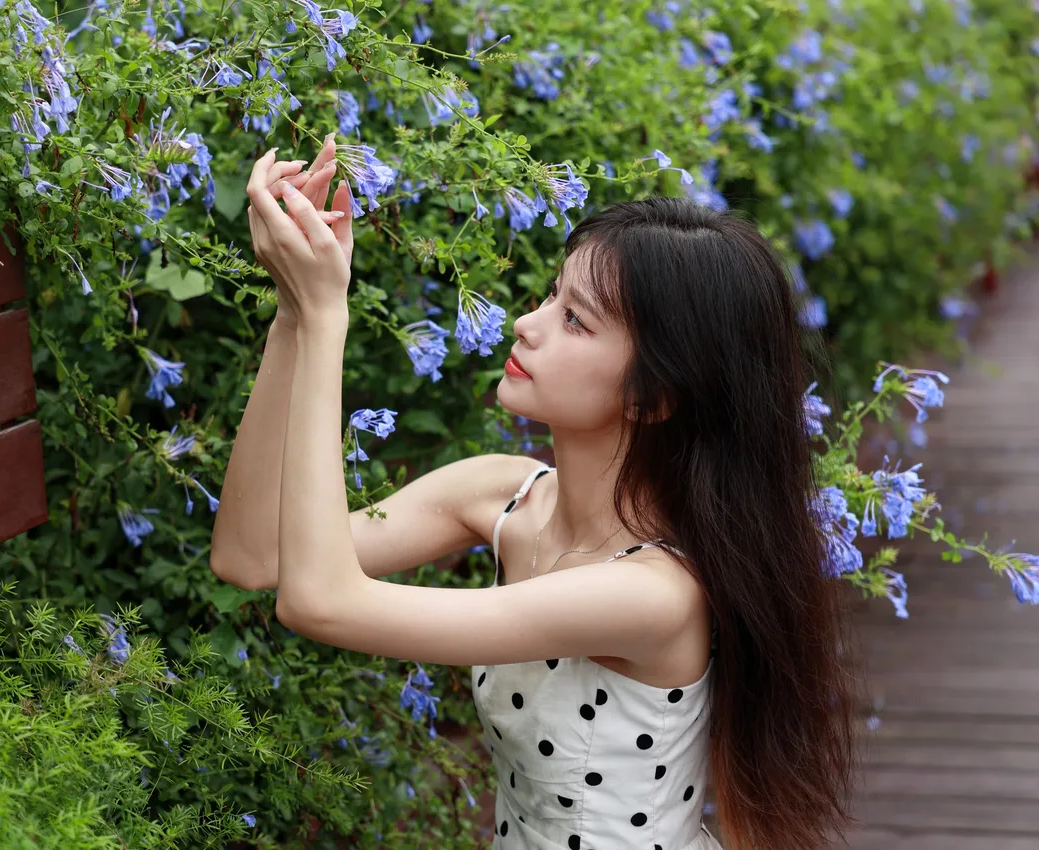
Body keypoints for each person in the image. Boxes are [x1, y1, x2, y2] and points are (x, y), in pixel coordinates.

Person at [210, 136, 858, 850]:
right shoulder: (504, 493)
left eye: (575, 319)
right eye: (552, 295)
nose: (528, 322)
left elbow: (320, 602)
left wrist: (330, 315)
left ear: (653, 397)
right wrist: (293, 318)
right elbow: (251, 556)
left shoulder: (655, 592)